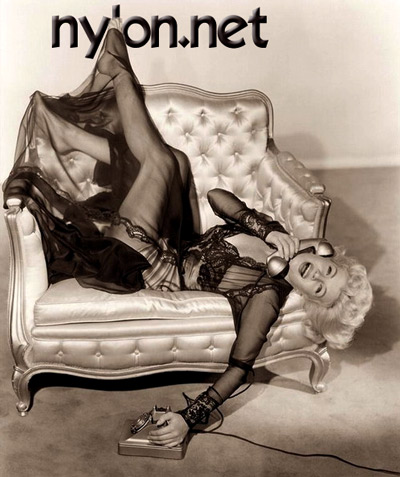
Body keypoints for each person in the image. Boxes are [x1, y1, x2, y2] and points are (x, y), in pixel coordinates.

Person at [3, 21, 373, 447]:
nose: (317, 275)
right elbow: (218, 197)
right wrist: (267, 228)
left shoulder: (267, 295)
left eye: (319, 288)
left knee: (160, 164)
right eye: (329, 270)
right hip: (176, 240)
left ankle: (114, 79)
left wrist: (188, 418)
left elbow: (240, 368)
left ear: (308, 299)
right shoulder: (281, 239)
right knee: (176, 160)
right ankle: (68, 135)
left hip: (145, 264)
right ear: (326, 257)